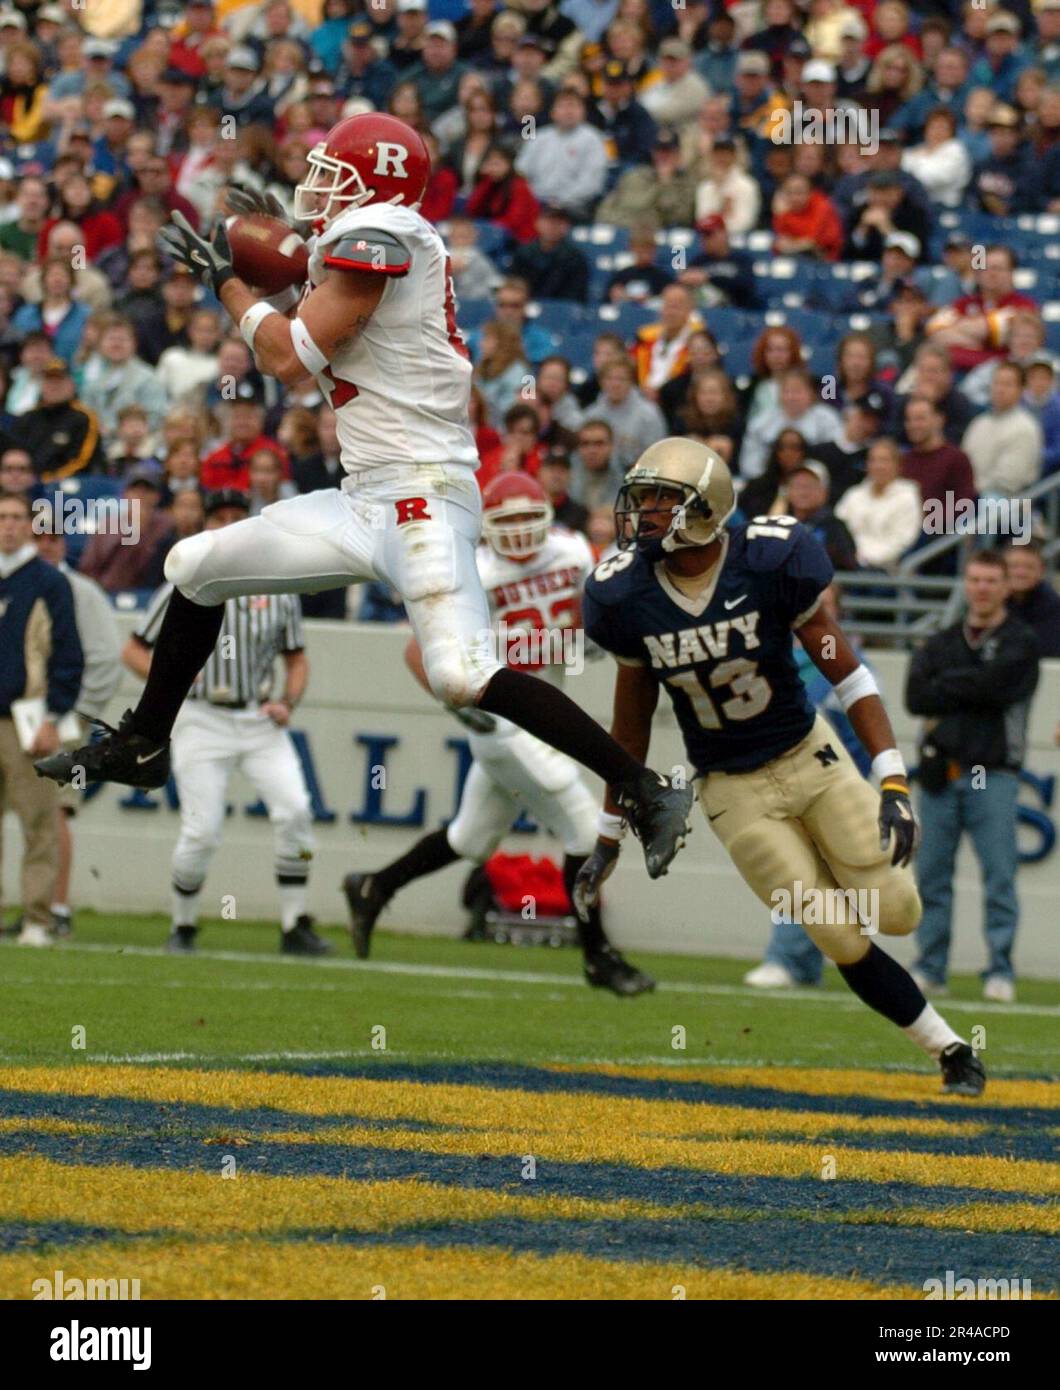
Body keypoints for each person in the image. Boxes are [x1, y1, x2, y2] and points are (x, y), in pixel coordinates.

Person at [37, 113, 692, 885]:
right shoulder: (358, 250)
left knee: (459, 674)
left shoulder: (389, 228)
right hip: (363, 498)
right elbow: (320, 317)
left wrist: (229, 281)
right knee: (195, 563)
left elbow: (284, 359)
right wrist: (286, 252)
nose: (318, 188)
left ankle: (644, 790)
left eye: (333, 174)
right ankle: (147, 741)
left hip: (423, 495)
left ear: (373, 184)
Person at [575, 439, 987, 1096]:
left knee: (899, 911)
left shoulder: (769, 561)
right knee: (834, 932)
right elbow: (628, 732)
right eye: (641, 498)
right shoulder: (626, 596)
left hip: (810, 758)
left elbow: (848, 676)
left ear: (705, 509)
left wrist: (893, 783)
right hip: (732, 790)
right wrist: (605, 835)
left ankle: (851, 872)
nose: (644, 513)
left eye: (662, 499)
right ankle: (949, 1048)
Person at [344, 472, 652, 993]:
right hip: (503, 723)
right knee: (582, 828)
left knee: (471, 838)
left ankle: (373, 885)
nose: (518, 533)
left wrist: (590, 642)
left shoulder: (574, 553)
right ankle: (598, 956)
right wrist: (467, 713)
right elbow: (416, 651)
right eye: (505, 522)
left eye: (527, 520)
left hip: (546, 713)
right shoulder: (475, 570)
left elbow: (587, 629)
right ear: (487, 525)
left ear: (549, 520)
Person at [124, 489, 330, 958]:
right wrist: (173, 680)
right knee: (202, 827)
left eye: (240, 517)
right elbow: (133, 649)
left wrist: (287, 701)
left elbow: (296, 659)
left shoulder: (278, 588)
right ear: (208, 523)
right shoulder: (187, 579)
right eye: (222, 517)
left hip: (256, 715)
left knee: (296, 809)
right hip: (201, 715)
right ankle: (183, 924)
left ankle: (294, 922)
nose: (231, 525)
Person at [905, 550, 1040, 1002]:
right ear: (966, 584)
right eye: (975, 580)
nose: (982, 588)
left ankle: (999, 969)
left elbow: (1003, 685)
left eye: (991, 581)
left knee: (999, 875)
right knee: (932, 876)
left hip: (992, 771)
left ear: (1005, 587)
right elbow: (916, 696)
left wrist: (950, 686)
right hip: (942, 771)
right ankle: (930, 967)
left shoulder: (1021, 639)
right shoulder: (942, 639)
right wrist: (974, 683)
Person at [33, 508, 122, 938]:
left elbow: (107, 659)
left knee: (56, 812)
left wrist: (75, 712)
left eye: (52, 537)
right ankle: (34, 905)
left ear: (63, 543)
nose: (44, 545)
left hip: (62, 720)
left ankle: (58, 907)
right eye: (38, 537)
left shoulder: (81, 591)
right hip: (15, 717)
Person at [0, 490, 83, 947]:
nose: (9, 525)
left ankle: (36, 918)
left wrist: (54, 715)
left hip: (26, 719)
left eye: (17, 517)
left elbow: (69, 657)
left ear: (30, 526)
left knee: (38, 822)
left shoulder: (50, 583)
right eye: (2, 517)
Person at [9, 357, 104, 483]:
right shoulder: (27, 418)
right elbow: (12, 453)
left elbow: (82, 461)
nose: (54, 386)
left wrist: (46, 480)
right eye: (49, 381)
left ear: (72, 384)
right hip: (23, 483)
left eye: (59, 380)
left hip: (66, 488)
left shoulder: (84, 418)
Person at [835, 438, 922, 572]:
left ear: (898, 465)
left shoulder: (908, 497)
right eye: (873, 460)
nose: (878, 466)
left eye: (884, 460)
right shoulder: (854, 494)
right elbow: (837, 528)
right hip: (848, 565)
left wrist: (864, 558)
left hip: (886, 571)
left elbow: (903, 541)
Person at [1003, 541, 1060, 659]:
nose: (1021, 573)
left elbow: (1047, 651)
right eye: (1014, 566)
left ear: (1042, 570)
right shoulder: (992, 600)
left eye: (1029, 567)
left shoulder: (1053, 607)